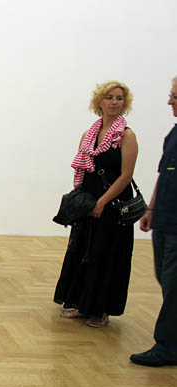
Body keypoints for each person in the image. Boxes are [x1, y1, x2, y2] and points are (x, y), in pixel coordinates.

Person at [54, 80, 139, 328]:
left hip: (112, 206)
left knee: (106, 256)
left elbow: (126, 176)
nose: (114, 102)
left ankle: (101, 310)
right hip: (89, 203)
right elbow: (82, 169)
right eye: (109, 97)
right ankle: (82, 304)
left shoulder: (127, 136)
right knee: (84, 253)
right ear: (99, 101)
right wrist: (81, 202)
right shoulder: (89, 134)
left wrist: (102, 202)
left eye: (119, 98)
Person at [130, 77, 177, 367]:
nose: (170, 101)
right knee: (165, 279)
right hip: (164, 220)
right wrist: (151, 209)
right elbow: (164, 173)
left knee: (173, 285)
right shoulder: (173, 133)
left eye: (175, 96)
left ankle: (167, 346)